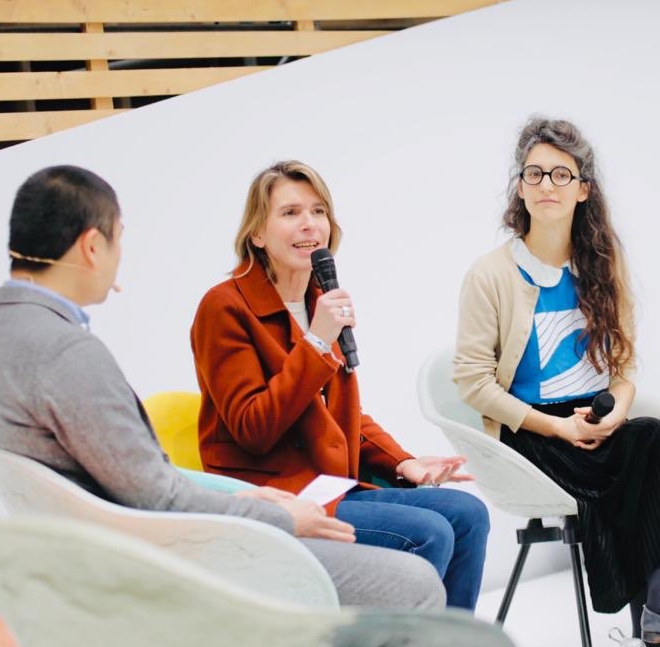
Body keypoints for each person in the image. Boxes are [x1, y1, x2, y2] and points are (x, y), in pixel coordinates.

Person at [0, 165, 446, 610]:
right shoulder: (67, 353)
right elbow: (157, 497)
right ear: (93, 247)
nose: (120, 257)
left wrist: (248, 498)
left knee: (455, 519)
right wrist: (275, 514)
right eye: (119, 239)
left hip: (113, 555)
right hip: (172, 558)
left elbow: (142, 482)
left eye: (318, 212)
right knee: (418, 580)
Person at [454, 118, 660, 647]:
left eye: (561, 174)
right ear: (520, 186)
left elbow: (623, 367)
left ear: (583, 189)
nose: (546, 185)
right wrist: (558, 428)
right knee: (634, 473)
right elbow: (473, 383)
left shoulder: (603, 266)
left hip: (593, 417)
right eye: (534, 173)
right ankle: (658, 617)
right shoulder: (491, 274)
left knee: (653, 437)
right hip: (532, 432)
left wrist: (616, 411)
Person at [190, 160, 490, 611]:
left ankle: (453, 641)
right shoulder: (225, 307)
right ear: (257, 233)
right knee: (427, 533)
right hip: (276, 495)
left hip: (330, 486)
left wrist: (403, 462)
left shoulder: (320, 301)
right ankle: (403, 641)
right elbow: (253, 428)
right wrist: (316, 342)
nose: (309, 224)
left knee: (468, 514)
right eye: (290, 213)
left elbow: (343, 416)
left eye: (319, 211)